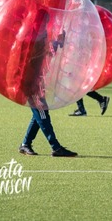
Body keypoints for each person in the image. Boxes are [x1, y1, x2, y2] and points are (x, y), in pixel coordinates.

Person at [18, 10, 77, 157]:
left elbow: (47, 54)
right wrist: (55, 43)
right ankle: (55, 147)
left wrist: (57, 42)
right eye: (44, 21)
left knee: (39, 114)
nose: (45, 24)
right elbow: (40, 54)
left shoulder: (40, 35)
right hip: (31, 84)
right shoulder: (32, 37)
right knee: (42, 114)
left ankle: (25, 144)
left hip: (36, 83)